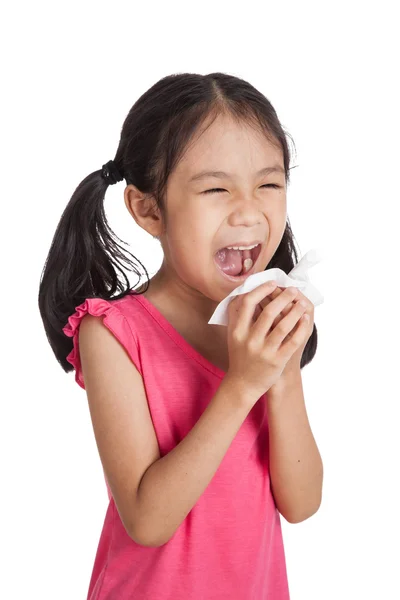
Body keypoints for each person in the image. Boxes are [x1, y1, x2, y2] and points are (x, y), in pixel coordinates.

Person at [38, 72, 322, 600]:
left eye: (269, 183)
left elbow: (301, 504)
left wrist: (281, 378)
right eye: (216, 188)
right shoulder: (114, 333)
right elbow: (147, 521)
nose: (248, 210)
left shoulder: (260, 327)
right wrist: (241, 386)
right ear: (149, 210)